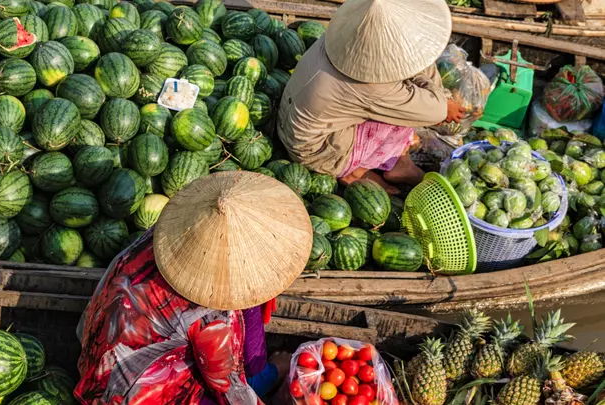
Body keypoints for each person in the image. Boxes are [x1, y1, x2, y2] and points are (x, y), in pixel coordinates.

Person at [74, 171, 314, 405]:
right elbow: (231, 393)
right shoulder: (212, 319)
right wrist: (275, 372)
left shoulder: (165, 235)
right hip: (129, 391)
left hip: (101, 349)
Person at [277, 0, 466, 195]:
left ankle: (362, 167)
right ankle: (381, 166)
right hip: (315, 152)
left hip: (290, 120)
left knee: (398, 101)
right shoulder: (372, 86)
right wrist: (445, 103)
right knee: (405, 111)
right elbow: (435, 112)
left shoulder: (346, 36)